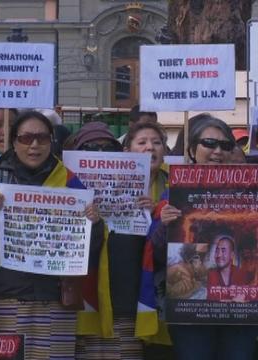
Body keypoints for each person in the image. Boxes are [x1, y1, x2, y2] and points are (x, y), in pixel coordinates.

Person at [0, 111, 103, 359]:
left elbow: (90, 250)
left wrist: (94, 224)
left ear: (51, 141)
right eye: (26, 138)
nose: (34, 145)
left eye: (42, 138)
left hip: (55, 300)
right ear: (14, 142)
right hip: (6, 300)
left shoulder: (69, 181)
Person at [153, 114, 258, 360]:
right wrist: (164, 227)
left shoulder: (251, 192)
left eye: (225, 145)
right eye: (209, 143)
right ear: (192, 149)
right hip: (191, 311)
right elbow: (157, 257)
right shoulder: (174, 191)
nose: (217, 151)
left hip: (240, 310)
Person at [75, 121, 169, 359]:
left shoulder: (172, 186)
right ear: (126, 152)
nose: (151, 148)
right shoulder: (96, 182)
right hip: (107, 287)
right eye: (143, 142)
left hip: (151, 293)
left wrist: (158, 211)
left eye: (157, 142)